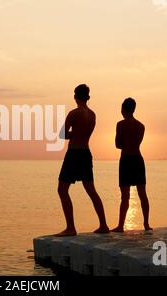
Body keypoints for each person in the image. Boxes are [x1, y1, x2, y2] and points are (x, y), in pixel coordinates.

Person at [55, 84, 109, 236]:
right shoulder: (93, 115)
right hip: (86, 153)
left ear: (75, 97)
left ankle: (70, 227)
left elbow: (62, 134)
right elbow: (85, 134)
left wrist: (73, 133)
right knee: (91, 190)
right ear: (88, 97)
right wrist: (78, 133)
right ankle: (103, 224)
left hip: (74, 153)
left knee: (62, 189)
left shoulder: (73, 113)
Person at [111, 98, 153, 232]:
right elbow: (137, 143)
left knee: (125, 196)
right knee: (142, 194)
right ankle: (146, 224)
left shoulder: (120, 125)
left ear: (123, 110)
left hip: (126, 160)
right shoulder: (141, 126)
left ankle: (120, 225)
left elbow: (118, 144)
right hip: (138, 159)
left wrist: (125, 141)